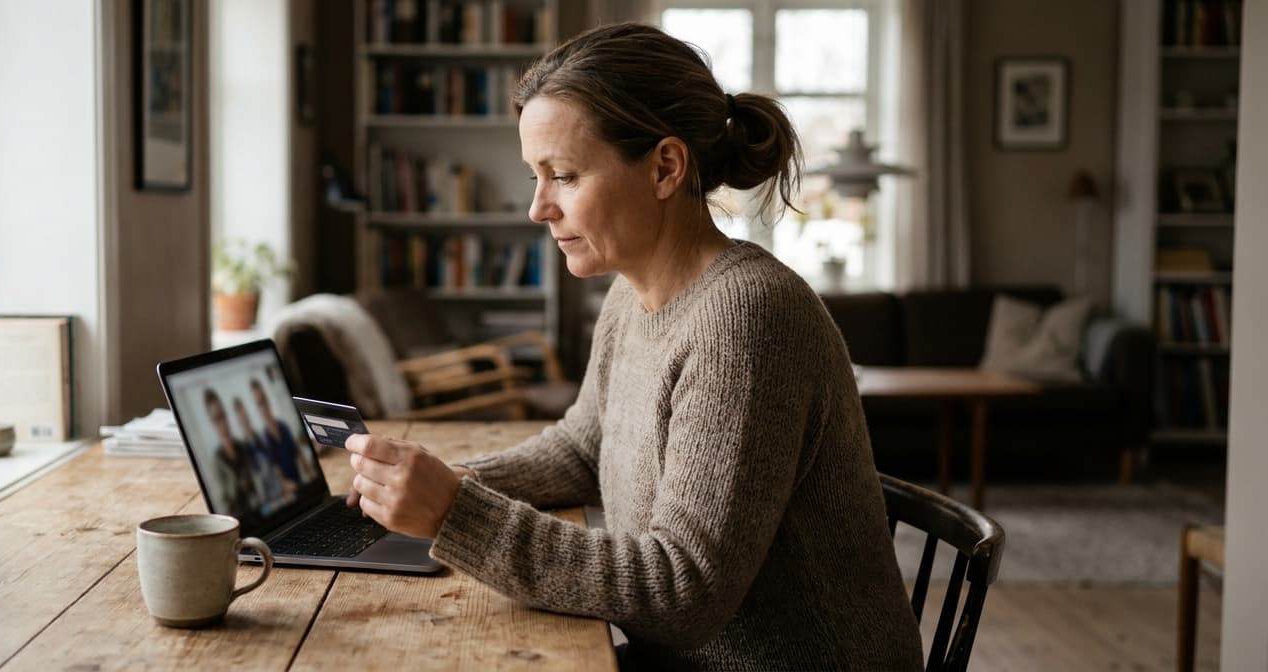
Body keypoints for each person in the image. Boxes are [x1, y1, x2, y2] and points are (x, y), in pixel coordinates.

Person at [342, 22, 925, 670]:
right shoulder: (631, 293)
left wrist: (457, 513)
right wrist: (447, 481)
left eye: (562, 175)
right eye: (536, 176)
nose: (538, 208)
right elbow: (583, 445)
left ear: (665, 167)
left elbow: (683, 590)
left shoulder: (750, 320)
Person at [201, 389, 258, 512]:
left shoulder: (244, 448)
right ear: (212, 423)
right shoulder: (217, 464)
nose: (223, 423)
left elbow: (258, 485)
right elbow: (223, 507)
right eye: (217, 419)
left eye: (223, 416)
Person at [249, 379, 317, 484]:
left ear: (267, 400)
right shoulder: (264, 440)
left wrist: (311, 475)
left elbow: (297, 453)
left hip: (300, 482)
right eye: (259, 404)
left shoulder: (282, 426)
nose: (264, 407)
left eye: (264, 400)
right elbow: (277, 474)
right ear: (257, 408)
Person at [232, 396, 295, 506]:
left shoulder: (262, 439)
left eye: (245, 415)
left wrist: (284, 483)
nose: (245, 420)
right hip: (265, 499)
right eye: (241, 418)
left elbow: (275, 465)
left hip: (279, 490)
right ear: (238, 422)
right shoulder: (243, 450)